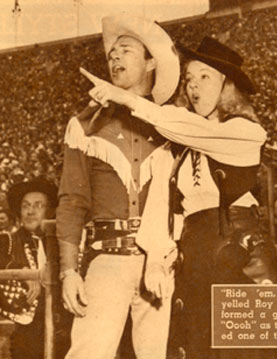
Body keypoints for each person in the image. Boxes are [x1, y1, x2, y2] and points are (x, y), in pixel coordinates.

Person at [82, 36, 277, 359]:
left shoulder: (245, 133)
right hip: (195, 262)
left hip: (241, 259)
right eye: (189, 78)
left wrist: (126, 97)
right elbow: (162, 207)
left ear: (227, 85)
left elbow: (185, 127)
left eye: (205, 76)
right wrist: (157, 263)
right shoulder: (175, 150)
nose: (193, 87)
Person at [56, 14, 180, 359]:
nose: (114, 58)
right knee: (88, 353)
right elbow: (72, 201)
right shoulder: (85, 126)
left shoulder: (174, 125)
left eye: (125, 50)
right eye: (111, 53)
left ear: (150, 61)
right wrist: (69, 271)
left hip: (162, 261)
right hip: (107, 259)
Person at [0, 178, 70, 359]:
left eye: (38, 206)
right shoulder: (8, 241)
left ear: (50, 211)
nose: (30, 212)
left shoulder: (63, 243)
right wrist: (23, 272)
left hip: (65, 328)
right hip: (27, 333)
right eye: (25, 206)